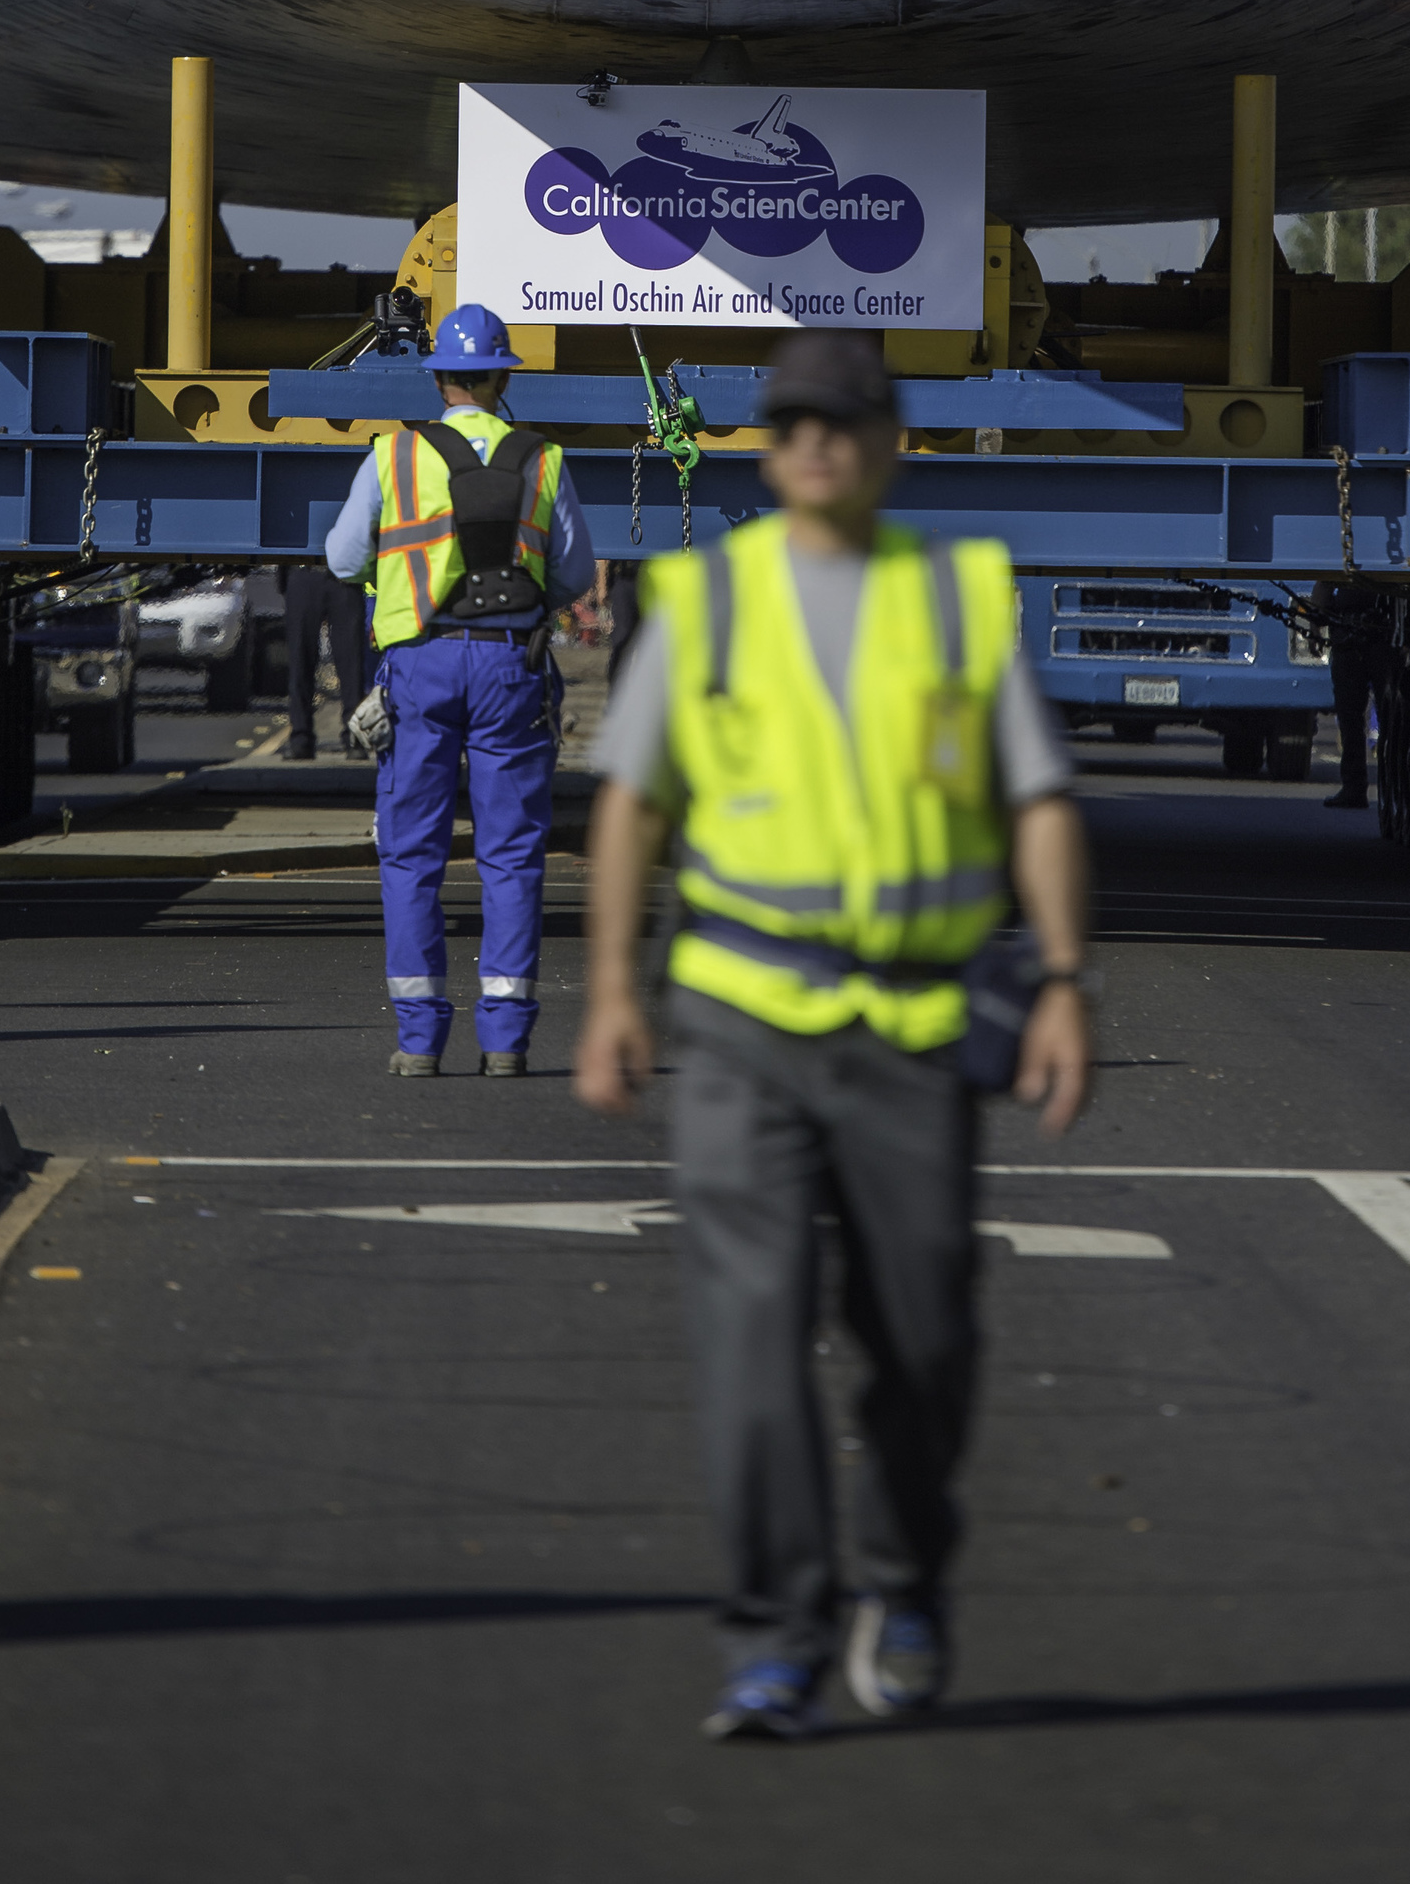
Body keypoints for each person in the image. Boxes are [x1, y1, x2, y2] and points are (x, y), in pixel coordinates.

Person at [577, 332, 1093, 1742]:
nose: (817, 443)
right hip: (742, 1019)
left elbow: (1037, 798)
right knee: (751, 1340)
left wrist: (1058, 978)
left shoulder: (957, 601)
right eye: (793, 421)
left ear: (892, 444)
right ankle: (777, 1634)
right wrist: (615, 990)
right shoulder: (710, 602)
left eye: (845, 422)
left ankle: (904, 1577)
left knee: (923, 1341)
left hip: (915, 1029)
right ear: (764, 443)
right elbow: (631, 799)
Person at [323, 301, 595, 1077]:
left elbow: (343, 558)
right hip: (511, 664)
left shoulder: (394, 457)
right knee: (512, 852)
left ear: (439, 376)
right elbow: (574, 576)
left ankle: (419, 1040)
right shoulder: (543, 458)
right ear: (503, 376)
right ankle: (506, 1037)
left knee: (411, 853)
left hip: (423, 665)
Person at [276, 557, 365, 760]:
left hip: (345, 573)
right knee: (300, 662)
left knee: (352, 665)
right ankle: (300, 738)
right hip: (303, 570)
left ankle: (354, 738)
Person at [1324, 593, 1387, 811]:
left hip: (1358, 631)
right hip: (1370, 631)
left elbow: (1324, 583)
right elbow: (1325, 582)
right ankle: (1359, 788)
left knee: (1352, 718)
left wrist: (1315, 623)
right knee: (1356, 717)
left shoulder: (1344, 558)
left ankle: (1355, 788)